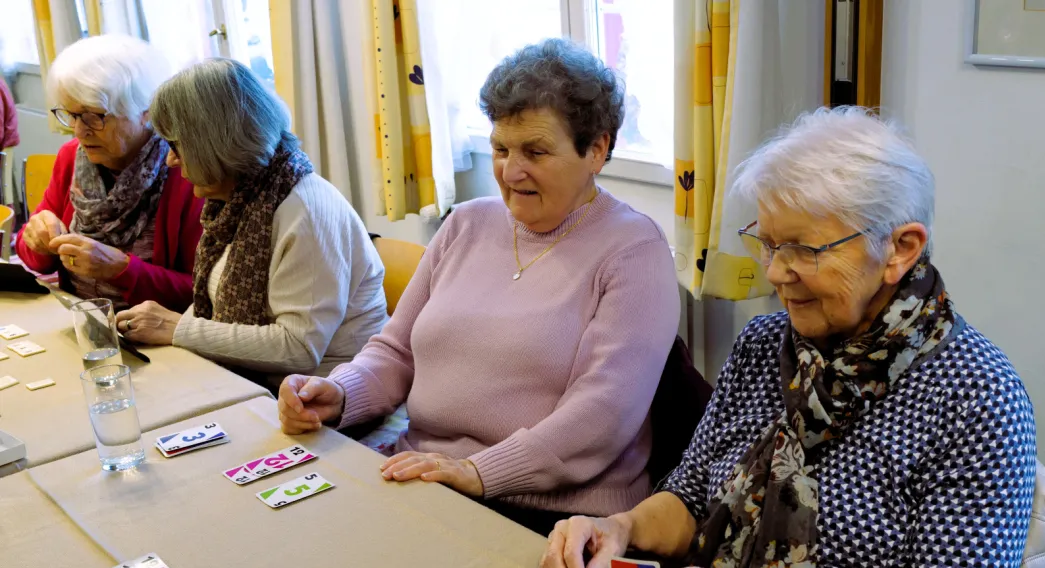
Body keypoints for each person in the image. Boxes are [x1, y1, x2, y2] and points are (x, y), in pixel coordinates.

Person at [540, 107, 1037, 568]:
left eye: (803, 249)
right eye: (770, 243)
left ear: (900, 249)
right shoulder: (765, 345)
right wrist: (620, 527)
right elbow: (692, 497)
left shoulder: (975, 395)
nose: (775, 272)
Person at [275, 39, 679, 535]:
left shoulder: (634, 250)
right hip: (425, 476)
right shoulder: (467, 224)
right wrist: (338, 393)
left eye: (536, 151)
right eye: (500, 148)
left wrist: (478, 473)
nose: (510, 172)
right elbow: (397, 351)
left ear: (596, 149)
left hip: (552, 515)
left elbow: (602, 417)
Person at [116, 59, 387, 386]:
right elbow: (214, 309)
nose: (171, 160)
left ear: (214, 145)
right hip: (259, 383)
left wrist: (176, 328)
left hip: (323, 395)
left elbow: (299, 348)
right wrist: (170, 328)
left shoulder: (306, 211)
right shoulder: (243, 197)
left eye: (176, 146)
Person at [16, 36, 202, 311]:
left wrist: (122, 270)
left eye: (95, 116)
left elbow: (203, 293)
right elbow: (34, 258)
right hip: (80, 321)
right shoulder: (72, 157)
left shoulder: (186, 171)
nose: (79, 131)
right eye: (72, 115)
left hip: (155, 337)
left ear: (146, 112)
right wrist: (36, 240)